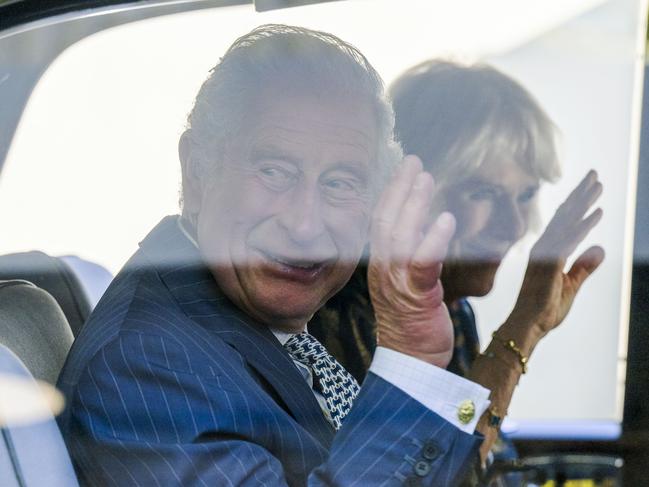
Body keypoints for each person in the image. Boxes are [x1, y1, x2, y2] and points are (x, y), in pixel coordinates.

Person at [56, 28, 602, 486]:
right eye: (273, 172)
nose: (305, 223)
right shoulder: (152, 365)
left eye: (341, 182)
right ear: (195, 173)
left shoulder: (261, 319)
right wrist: (414, 358)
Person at [310, 59, 605, 464]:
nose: (515, 225)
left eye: (525, 195)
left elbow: (469, 430)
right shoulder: (348, 314)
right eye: (482, 193)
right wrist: (525, 326)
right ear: (407, 190)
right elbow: (442, 467)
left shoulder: (455, 310)